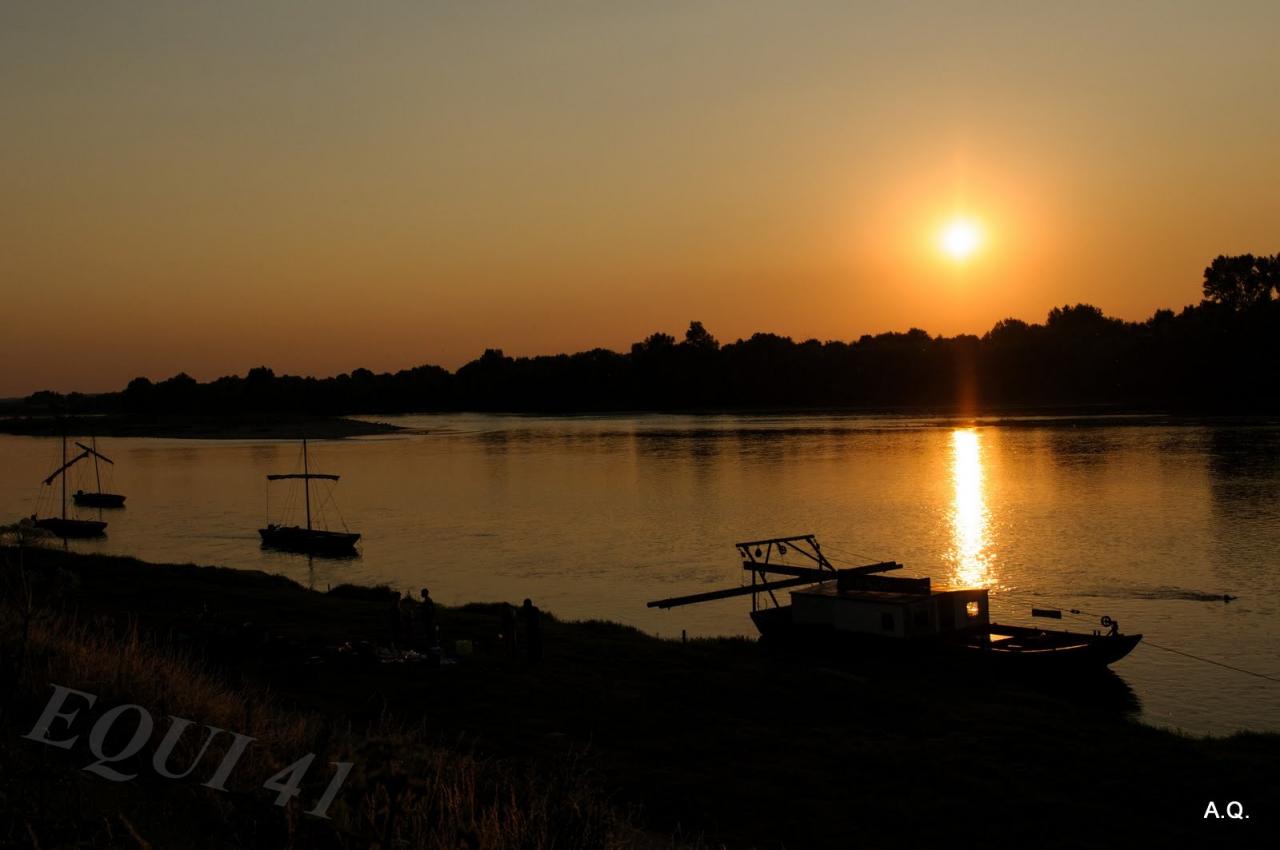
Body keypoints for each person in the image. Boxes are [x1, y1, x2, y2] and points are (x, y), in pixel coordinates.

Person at [520, 598, 542, 663]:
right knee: (532, 645)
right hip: (533, 630)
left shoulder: (533, 611)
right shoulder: (533, 610)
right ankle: (533, 658)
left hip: (534, 631)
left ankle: (535, 658)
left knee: (534, 645)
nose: (524, 606)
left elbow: (535, 621)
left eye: (525, 604)